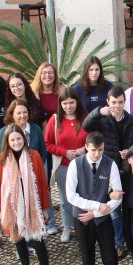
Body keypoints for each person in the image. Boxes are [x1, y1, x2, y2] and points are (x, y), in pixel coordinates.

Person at [66, 132, 125, 265]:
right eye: (93, 150)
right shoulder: (75, 165)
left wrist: (96, 213)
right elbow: (71, 196)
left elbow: (118, 195)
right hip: (82, 219)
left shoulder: (111, 164)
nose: (97, 154)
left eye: (100, 150)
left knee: (111, 258)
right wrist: (98, 206)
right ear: (86, 147)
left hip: (102, 220)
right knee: (87, 259)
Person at [84, 86, 133, 258]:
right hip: (108, 169)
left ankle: (131, 240)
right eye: (113, 102)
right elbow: (86, 126)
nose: (117, 106)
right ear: (108, 102)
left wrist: (131, 152)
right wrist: (98, 111)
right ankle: (118, 242)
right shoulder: (102, 119)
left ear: (124, 102)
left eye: (120, 102)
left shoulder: (132, 121)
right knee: (114, 210)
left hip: (129, 169)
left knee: (131, 207)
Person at [0, 124, 57, 265]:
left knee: (38, 240)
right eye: (12, 139)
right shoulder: (1, 159)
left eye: (19, 138)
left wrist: (44, 208)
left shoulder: (33, 155)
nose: (16, 142)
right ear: (7, 142)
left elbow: (42, 184)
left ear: (24, 139)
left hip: (32, 206)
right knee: (19, 240)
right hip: (13, 206)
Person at [0, 100, 55, 234]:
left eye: (25, 112)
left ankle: (40, 228)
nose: (22, 115)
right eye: (18, 113)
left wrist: (32, 169)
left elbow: (43, 151)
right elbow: (2, 157)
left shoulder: (35, 129)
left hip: (33, 178)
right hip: (13, 183)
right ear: (12, 115)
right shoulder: (4, 132)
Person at [44, 89, 89, 242]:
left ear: (77, 102)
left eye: (71, 102)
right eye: (65, 103)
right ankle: (67, 226)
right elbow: (47, 144)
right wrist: (64, 152)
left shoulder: (85, 118)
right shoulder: (55, 120)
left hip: (84, 165)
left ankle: (82, 225)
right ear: (60, 104)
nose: (68, 106)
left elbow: (94, 138)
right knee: (65, 199)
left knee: (83, 195)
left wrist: (85, 148)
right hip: (64, 166)